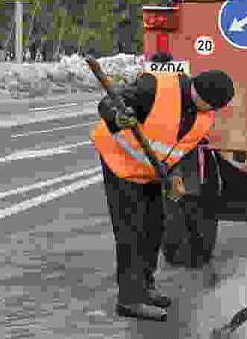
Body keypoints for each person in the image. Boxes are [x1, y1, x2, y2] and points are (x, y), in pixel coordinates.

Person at [89, 67, 235, 321]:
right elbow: (107, 103)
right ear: (198, 92)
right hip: (119, 163)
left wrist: (176, 179)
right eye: (209, 104)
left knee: (154, 227)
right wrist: (117, 117)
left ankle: (145, 288)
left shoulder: (204, 113)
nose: (210, 111)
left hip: (151, 170)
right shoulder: (155, 87)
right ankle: (130, 299)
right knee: (131, 229)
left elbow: (181, 147)